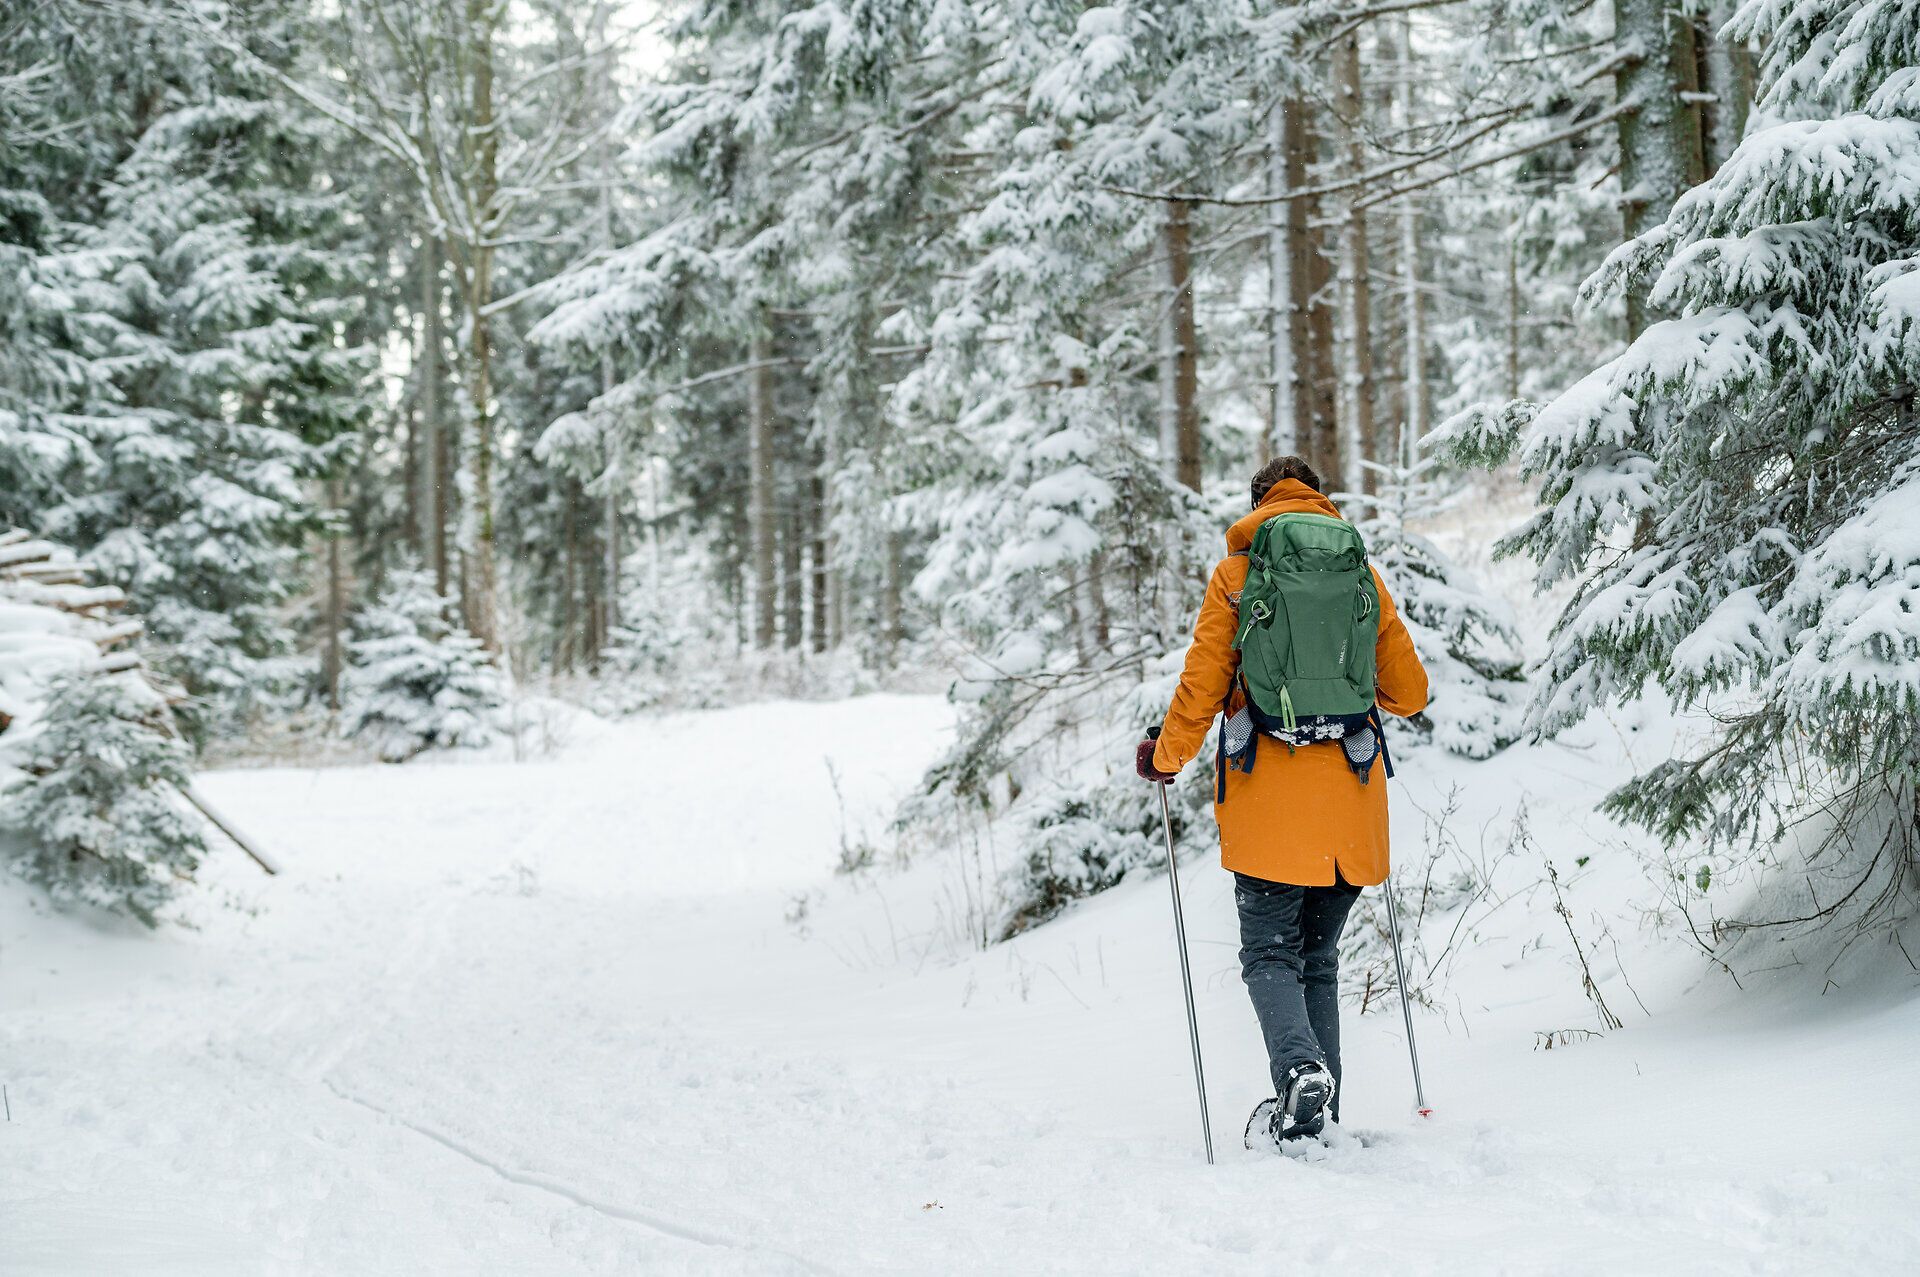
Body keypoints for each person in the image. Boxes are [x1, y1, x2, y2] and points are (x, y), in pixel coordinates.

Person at [1136, 455, 1429, 1146]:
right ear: (1317, 501)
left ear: (1258, 502)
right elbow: (1410, 693)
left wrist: (1164, 756)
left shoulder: (1238, 575)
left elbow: (1203, 682)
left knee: (1270, 950)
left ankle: (1300, 1074)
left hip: (1269, 802)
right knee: (1318, 957)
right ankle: (1318, 1111)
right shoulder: (1361, 575)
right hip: (1351, 810)